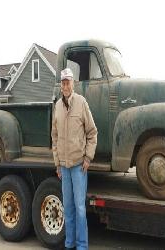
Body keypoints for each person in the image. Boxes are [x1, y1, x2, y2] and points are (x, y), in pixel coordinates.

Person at [51, 68, 98, 250]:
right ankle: (69, 244)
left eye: (68, 82)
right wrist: (57, 163)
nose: (65, 85)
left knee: (80, 209)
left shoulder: (81, 103)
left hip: (79, 166)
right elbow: (54, 137)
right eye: (63, 83)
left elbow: (92, 132)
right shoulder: (57, 107)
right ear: (61, 85)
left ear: (73, 83)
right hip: (63, 167)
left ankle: (82, 246)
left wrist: (88, 157)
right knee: (67, 208)